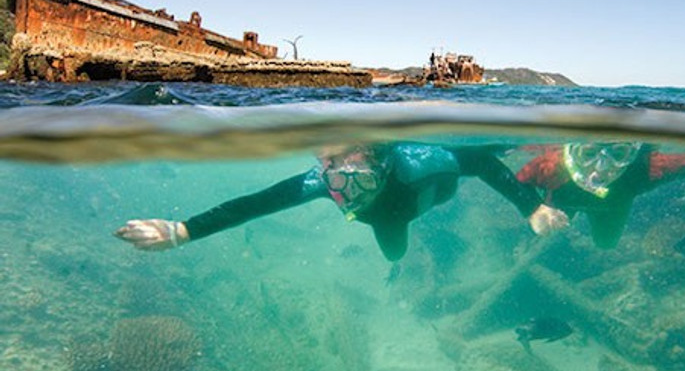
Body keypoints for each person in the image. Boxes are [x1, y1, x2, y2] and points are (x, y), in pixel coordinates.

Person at [115, 142, 569, 261]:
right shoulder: (320, 181)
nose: (345, 188)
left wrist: (531, 207)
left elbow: (484, 164)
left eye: (359, 175)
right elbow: (256, 203)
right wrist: (182, 231)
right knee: (395, 250)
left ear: (385, 163)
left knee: (398, 239)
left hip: (430, 195)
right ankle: (402, 244)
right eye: (335, 173)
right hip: (387, 221)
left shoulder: (419, 163)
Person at [515, 141, 685, 249]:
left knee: (605, 244)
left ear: (632, 153)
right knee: (540, 231)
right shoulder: (550, 165)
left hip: (609, 209)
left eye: (618, 154)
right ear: (571, 149)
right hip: (560, 205)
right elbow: (517, 183)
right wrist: (535, 208)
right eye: (588, 153)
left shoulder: (644, 170)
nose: (600, 168)